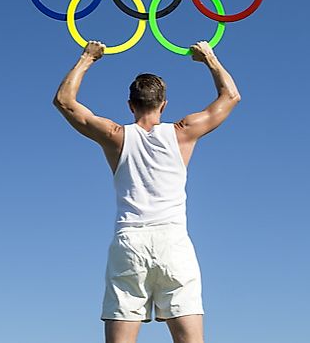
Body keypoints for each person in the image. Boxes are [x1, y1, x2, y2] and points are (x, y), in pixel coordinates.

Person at [52, 40, 241, 343]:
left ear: (130, 105)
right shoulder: (183, 132)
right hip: (174, 243)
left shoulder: (115, 136)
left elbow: (64, 101)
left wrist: (88, 57)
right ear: (163, 104)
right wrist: (209, 57)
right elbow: (231, 96)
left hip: (130, 244)